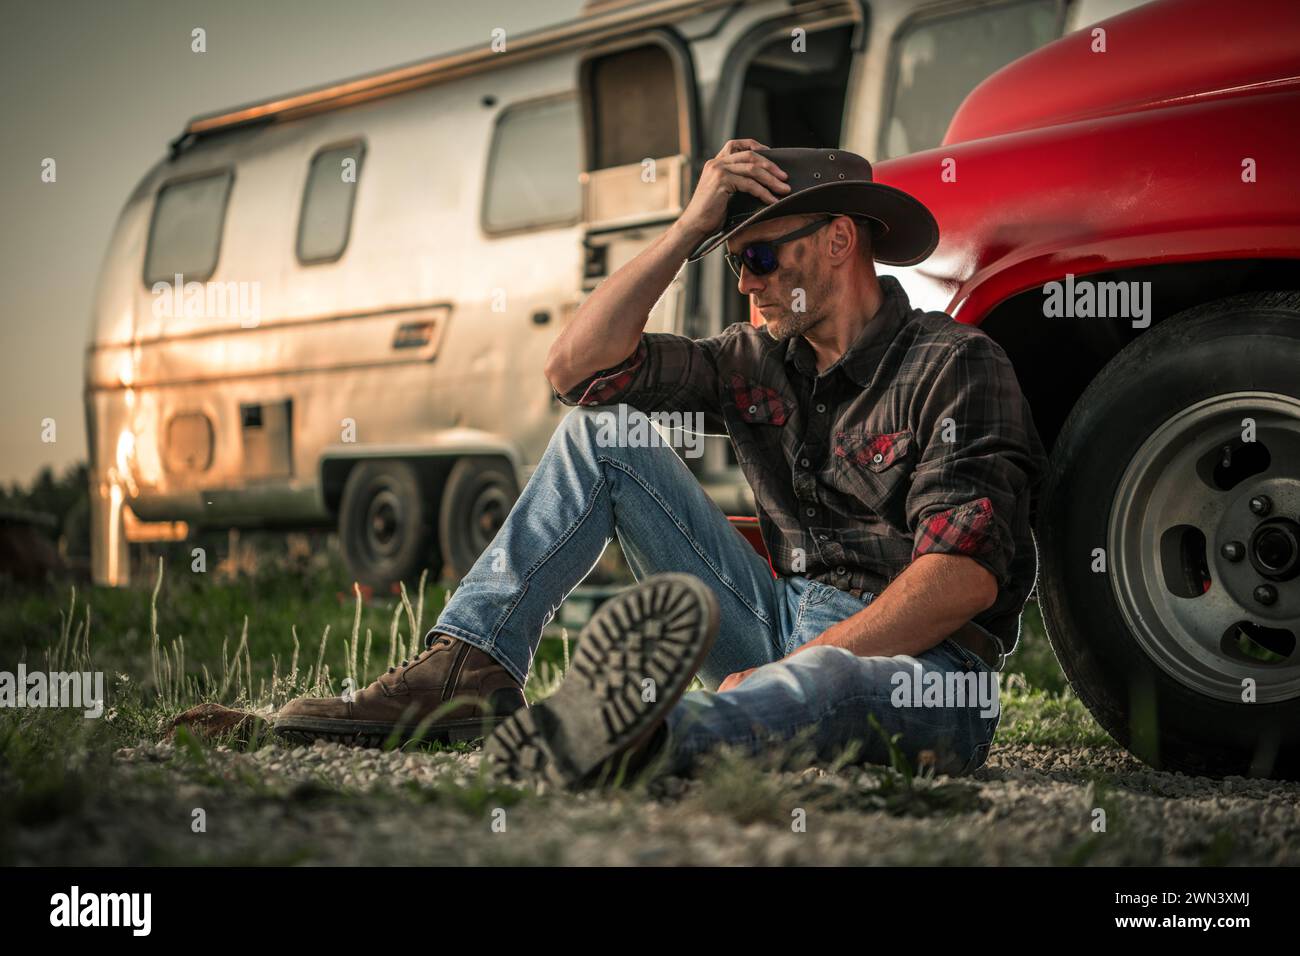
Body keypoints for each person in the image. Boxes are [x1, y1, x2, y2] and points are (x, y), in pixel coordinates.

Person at [276, 140, 1048, 788]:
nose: (744, 280)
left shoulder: (956, 365)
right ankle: (468, 671)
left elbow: (961, 577)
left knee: (830, 681)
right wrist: (687, 229)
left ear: (840, 241)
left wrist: (804, 662)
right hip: (782, 624)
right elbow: (576, 372)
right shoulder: (753, 359)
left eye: (759, 255)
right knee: (600, 435)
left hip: (928, 668)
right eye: (732, 259)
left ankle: (632, 736)